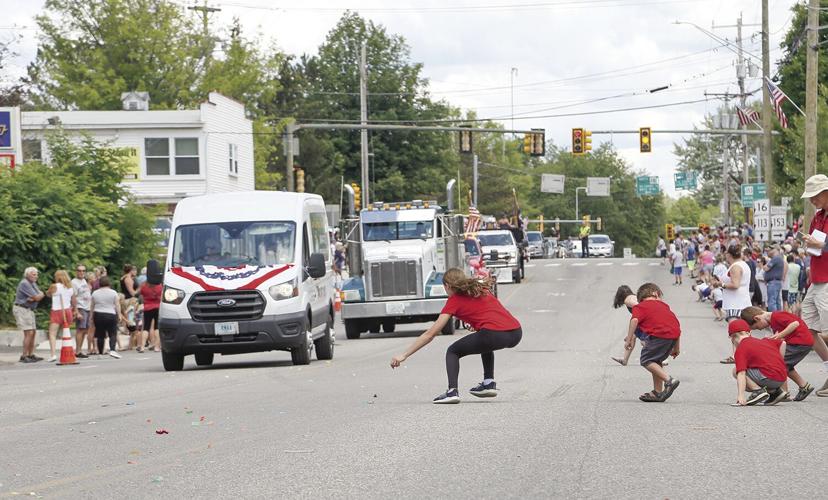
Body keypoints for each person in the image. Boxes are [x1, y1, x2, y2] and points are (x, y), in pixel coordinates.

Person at [390, 268, 522, 404]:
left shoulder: (454, 301)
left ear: (447, 286)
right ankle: (488, 382)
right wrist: (477, 324)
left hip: (492, 335)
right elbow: (490, 314)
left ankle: (452, 391)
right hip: (516, 333)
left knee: (453, 351)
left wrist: (404, 355)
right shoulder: (481, 290)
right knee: (485, 339)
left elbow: (430, 334)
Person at [740, 307, 815, 401]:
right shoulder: (772, 321)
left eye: (757, 327)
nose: (759, 329)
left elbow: (795, 324)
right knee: (786, 365)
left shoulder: (776, 316)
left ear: (757, 318)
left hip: (800, 342)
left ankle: (785, 392)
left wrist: (780, 335)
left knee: (779, 363)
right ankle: (803, 386)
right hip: (799, 342)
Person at [798, 174, 828, 396]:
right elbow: (815, 244)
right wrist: (808, 245)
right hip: (816, 278)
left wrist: (821, 243)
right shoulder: (817, 217)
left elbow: (823, 244)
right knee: (808, 329)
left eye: (814, 196)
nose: (812, 201)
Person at [625, 283, 681, 402]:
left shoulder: (640, 307)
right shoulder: (665, 306)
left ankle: (669, 380)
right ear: (655, 293)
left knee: (646, 360)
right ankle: (658, 392)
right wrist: (677, 347)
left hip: (658, 336)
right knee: (656, 361)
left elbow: (634, 320)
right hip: (673, 336)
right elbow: (676, 325)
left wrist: (629, 339)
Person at [727, 319, 789, 406]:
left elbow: (741, 373)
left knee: (735, 370)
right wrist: (780, 361)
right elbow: (783, 343)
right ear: (749, 333)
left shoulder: (741, 348)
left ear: (733, 338)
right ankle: (775, 392)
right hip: (782, 378)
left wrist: (740, 396)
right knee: (757, 368)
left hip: (768, 378)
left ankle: (757, 391)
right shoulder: (764, 341)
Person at [13, 267, 45, 363]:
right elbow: (37, 297)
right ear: (27, 275)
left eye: (36, 274)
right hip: (22, 309)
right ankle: (24, 356)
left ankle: (30, 355)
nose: (36, 276)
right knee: (29, 332)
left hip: (29, 309)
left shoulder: (32, 283)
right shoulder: (25, 283)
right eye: (34, 274)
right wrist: (36, 296)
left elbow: (39, 295)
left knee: (33, 332)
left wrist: (38, 295)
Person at [91, 276, 126, 359]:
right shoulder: (113, 292)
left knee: (100, 335)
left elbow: (92, 305)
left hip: (98, 314)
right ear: (109, 283)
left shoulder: (95, 293)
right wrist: (119, 314)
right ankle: (112, 350)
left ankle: (100, 352)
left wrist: (91, 317)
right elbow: (117, 304)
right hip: (110, 314)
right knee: (112, 333)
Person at [46, 270, 75, 362]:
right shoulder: (70, 287)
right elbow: (73, 299)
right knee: (66, 333)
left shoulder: (54, 286)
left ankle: (53, 354)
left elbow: (48, 294)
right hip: (67, 310)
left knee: (52, 333)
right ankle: (68, 350)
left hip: (57, 310)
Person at [71, 264, 92, 358]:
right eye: (79, 270)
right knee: (80, 329)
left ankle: (80, 350)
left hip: (87, 307)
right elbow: (73, 297)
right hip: (80, 307)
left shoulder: (84, 281)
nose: (81, 272)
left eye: (83, 271)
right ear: (76, 271)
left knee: (85, 330)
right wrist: (76, 311)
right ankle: (78, 350)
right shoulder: (74, 282)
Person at [139, 278, 162, 352]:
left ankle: (142, 347)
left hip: (147, 308)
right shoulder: (159, 286)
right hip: (158, 307)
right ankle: (156, 347)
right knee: (157, 327)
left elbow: (141, 296)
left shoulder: (144, 286)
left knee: (146, 327)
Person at [763, 246, 785, 312]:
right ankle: (778, 316)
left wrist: (764, 265)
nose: (768, 251)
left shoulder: (775, 258)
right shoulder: (779, 258)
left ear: (775, 250)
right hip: (776, 282)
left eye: (770, 250)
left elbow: (766, 268)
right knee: (777, 301)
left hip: (773, 282)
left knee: (772, 301)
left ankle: (773, 317)